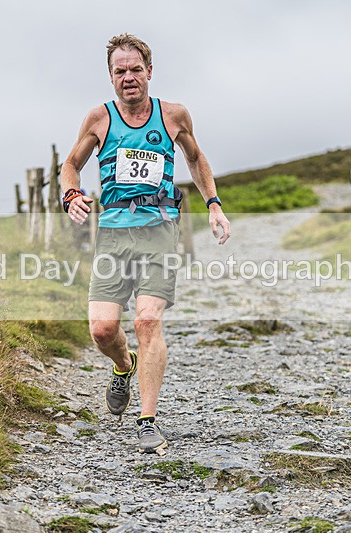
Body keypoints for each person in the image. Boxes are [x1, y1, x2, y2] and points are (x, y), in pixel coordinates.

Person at [60, 33, 231, 453]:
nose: (129, 78)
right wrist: (71, 195)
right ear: (111, 77)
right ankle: (124, 365)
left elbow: (195, 157)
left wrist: (213, 203)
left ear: (150, 72)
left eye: (136, 69)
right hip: (113, 236)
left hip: (159, 230)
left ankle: (148, 420)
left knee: (147, 322)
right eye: (121, 71)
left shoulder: (173, 115)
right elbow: (70, 165)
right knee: (102, 330)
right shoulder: (98, 119)